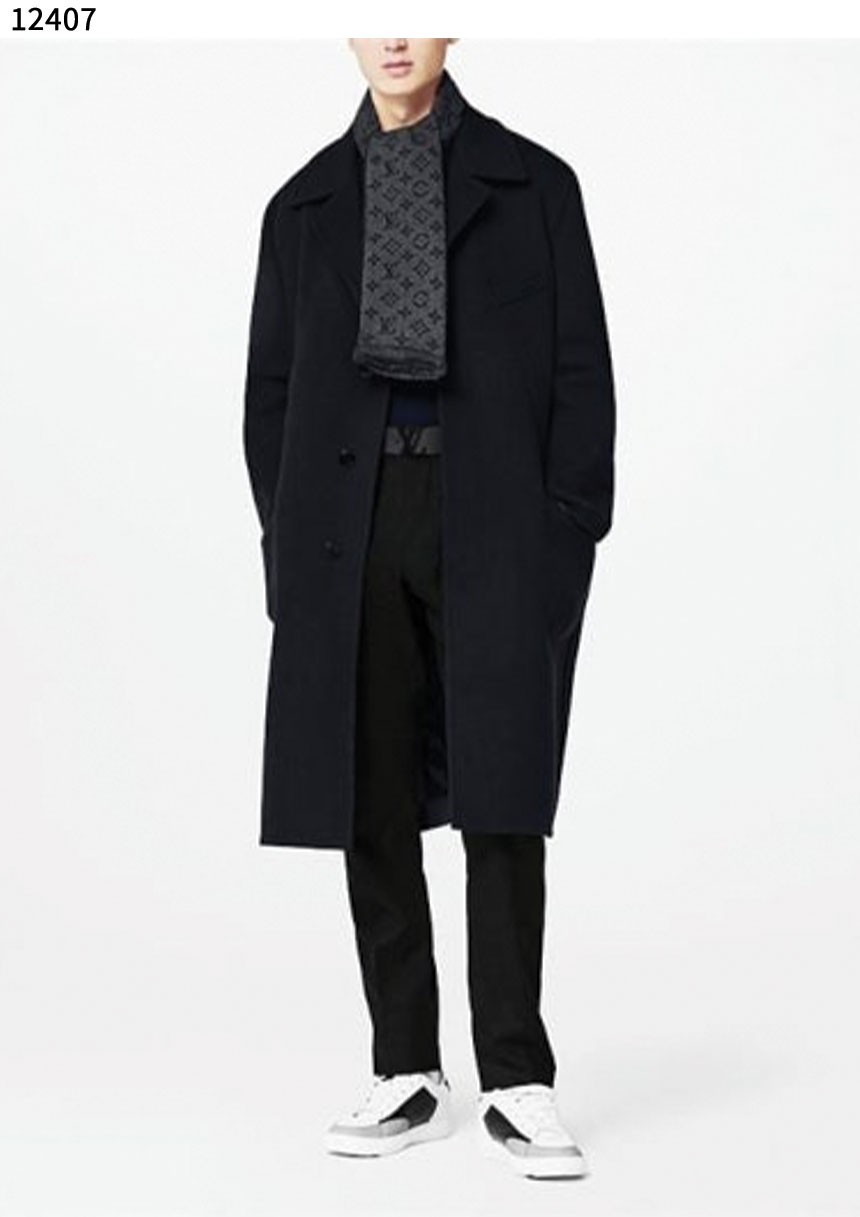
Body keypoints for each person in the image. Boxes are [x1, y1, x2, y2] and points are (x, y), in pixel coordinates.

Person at [243, 38, 615, 1180]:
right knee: (369, 787)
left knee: (503, 795)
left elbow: (581, 373)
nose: (397, 34)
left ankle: (516, 1075)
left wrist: (565, 529)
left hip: (494, 518)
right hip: (348, 522)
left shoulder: (533, 184)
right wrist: (287, 540)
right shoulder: (303, 204)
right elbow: (270, 393)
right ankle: (405, 1065)